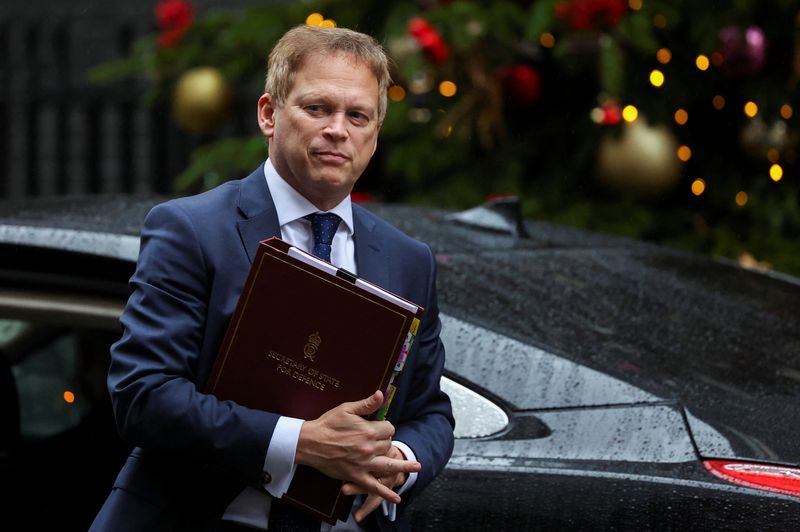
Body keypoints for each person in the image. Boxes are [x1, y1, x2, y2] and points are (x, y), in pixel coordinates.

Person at [90, 24, 455, 532]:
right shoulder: (192, 230)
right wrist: (302, 443)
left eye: (358, 115)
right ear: (269, 114)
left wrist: (395, 459)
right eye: (317, 108)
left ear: (375, 134)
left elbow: (431, 412)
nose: (337, 129)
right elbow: (143, 395)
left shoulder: (408, 259)